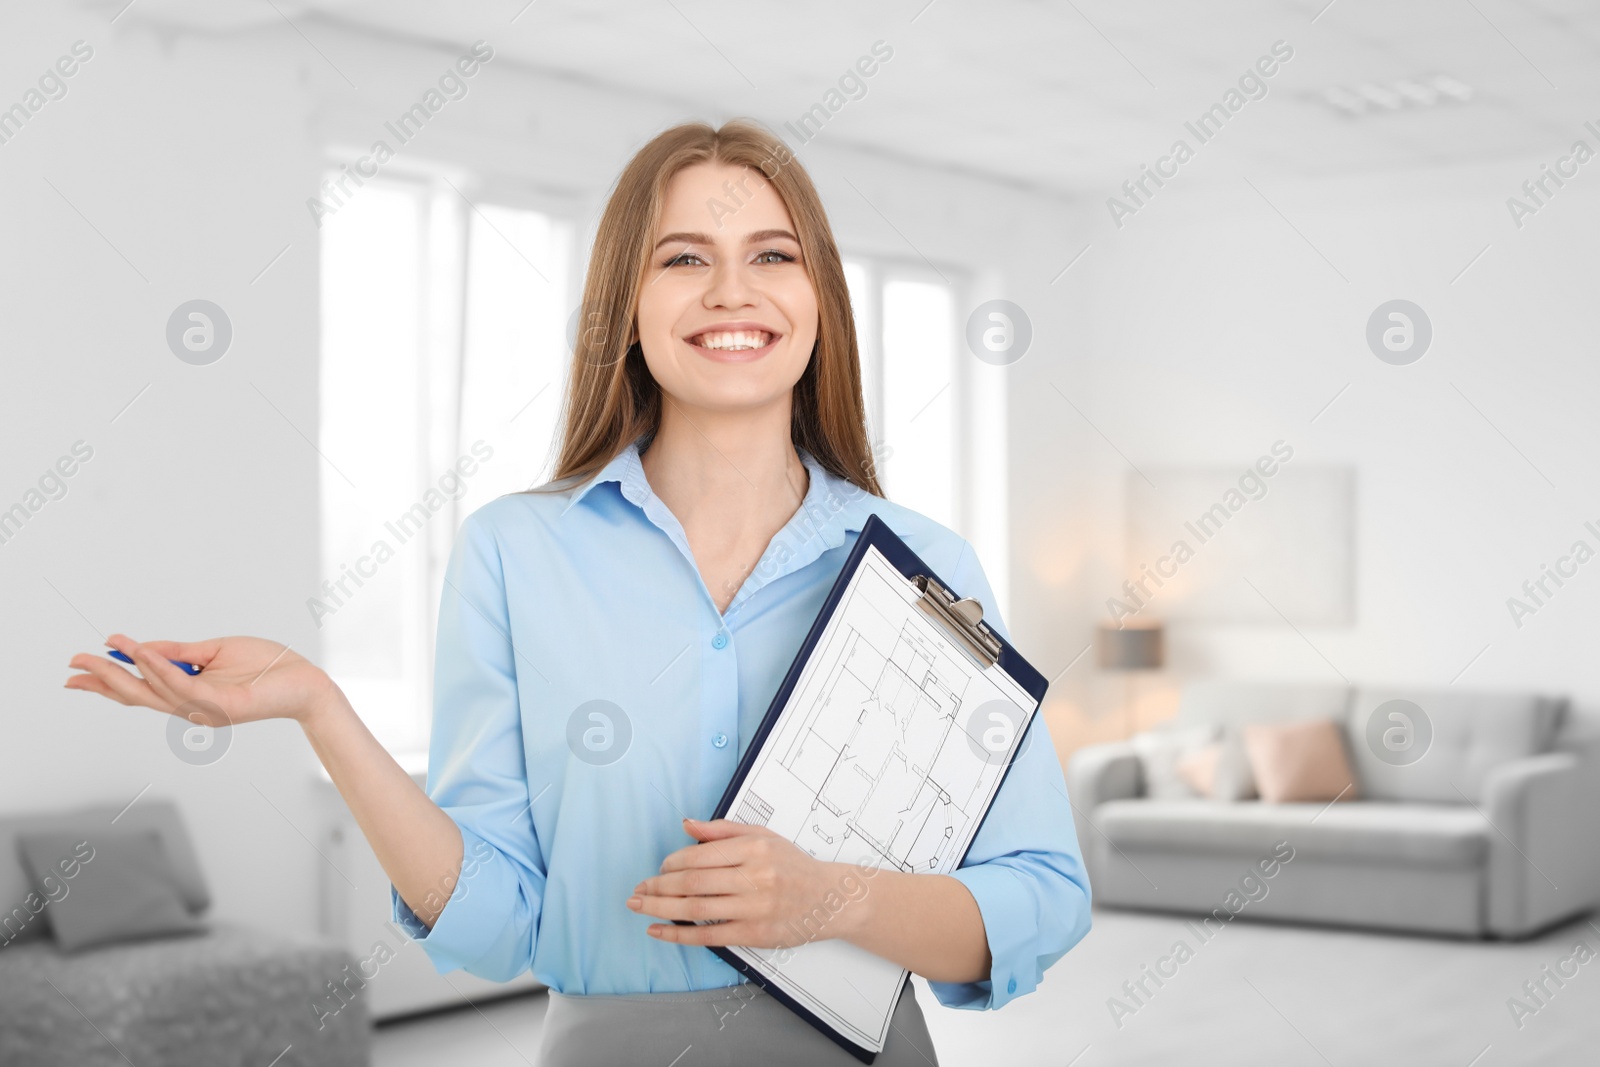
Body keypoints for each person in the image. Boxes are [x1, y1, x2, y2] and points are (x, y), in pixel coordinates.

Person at [65, 119, 1092, 1066]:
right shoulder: (515, 551)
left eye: (772, 256)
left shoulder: (926, 565)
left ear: (819, 298)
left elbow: (1039, 896)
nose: (732, 291)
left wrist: (830, 896)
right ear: (624, 306)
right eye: (684, 257)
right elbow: (495, 911)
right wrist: (318, 707)